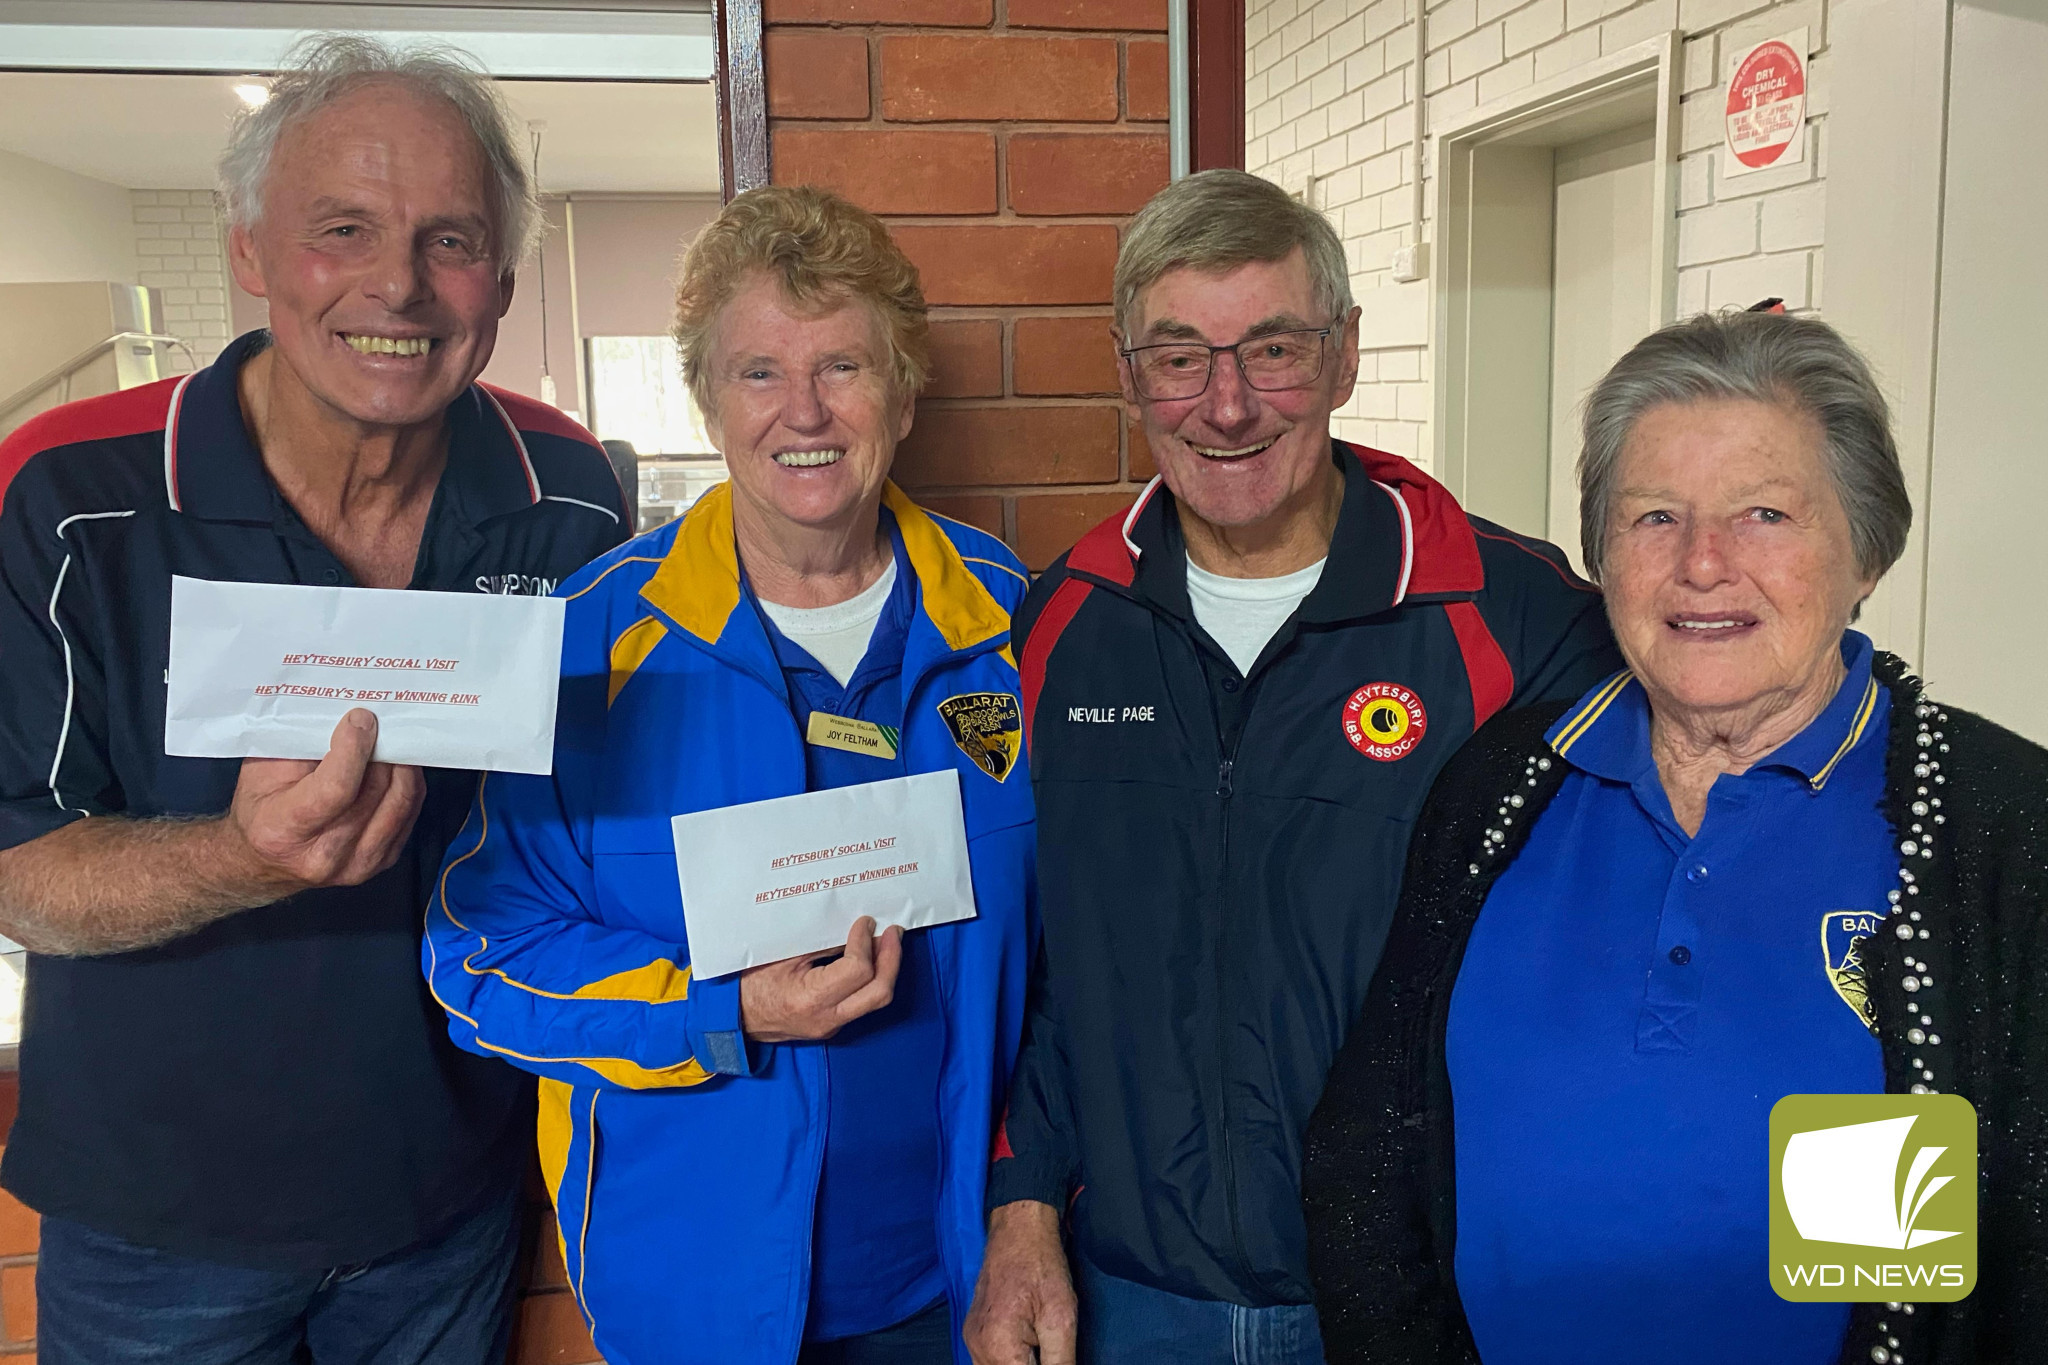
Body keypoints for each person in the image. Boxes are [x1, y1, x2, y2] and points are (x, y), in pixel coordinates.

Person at [0, 34, 628, 1365]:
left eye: (449, 240)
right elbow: (17, 866)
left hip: (453, 1204)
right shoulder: (67, 496)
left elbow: (594, 818)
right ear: (250, 249)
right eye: (341, 227)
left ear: (503, 282)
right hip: (157, 1228)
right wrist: (241, 856)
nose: (396, 284)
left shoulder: (570, 495)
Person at [1301, 310, 2048, 1364]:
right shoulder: (1503, 787)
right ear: (1601, 554)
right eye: (1652, 516)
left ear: (1865, 551)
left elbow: (1987, 1259)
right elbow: (1368, 1152)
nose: (1702, 565)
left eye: (1762, 515)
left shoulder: (1990, 829)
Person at [965, 169, 1622, 1365]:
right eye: (1178, 357)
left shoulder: (1511, 619)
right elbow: (1043, 965)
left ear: (1343, 356)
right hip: (1131, 1300)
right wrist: (1019, 1210)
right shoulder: (1061, 624)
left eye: (1271, 349)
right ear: (1127, 375)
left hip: (1419, 1296)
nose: (1225, 406)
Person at [425, 185, 1037, 1365]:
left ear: (903, 394)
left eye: (845, 367)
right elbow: (476, 957)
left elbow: (1072, 959)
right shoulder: (588, 647)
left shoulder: (1012, 618)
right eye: (758, 372)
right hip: (694, 1297)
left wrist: (1032, 1213)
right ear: (705, 398)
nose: (802, 411)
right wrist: (721, 1011)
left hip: (955, 1282)